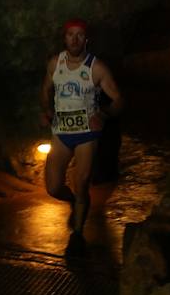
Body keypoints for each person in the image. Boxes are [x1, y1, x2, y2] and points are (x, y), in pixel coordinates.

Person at [40, 18, 124, 234]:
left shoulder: (97, 68)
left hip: (87, 134)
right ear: (65, 38)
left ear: (86, 39)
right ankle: (72, 201)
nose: (75, 39)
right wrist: (47, 110)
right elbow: (46, 90)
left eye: (79, 35)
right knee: (53, 187)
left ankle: (77, 234)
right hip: (61, 132)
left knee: (82, 182)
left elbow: (118, 100)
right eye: (70, 35)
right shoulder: (54, 64)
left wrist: (103, 114)